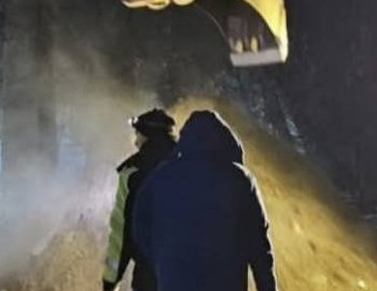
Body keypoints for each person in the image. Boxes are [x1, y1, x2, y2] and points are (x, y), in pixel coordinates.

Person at [132, 109, 278, 291]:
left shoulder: (161, 177)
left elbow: (140, 229)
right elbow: (259, 246)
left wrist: (164, 258)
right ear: (226, 142)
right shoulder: (240, 180)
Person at [102, 108, 177, 291]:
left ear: (148, 136)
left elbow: (121, 233)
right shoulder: (192, 167)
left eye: (138, 135)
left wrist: (110, 282)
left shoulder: (133, 173)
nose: (135, 142)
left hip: (148, 276)